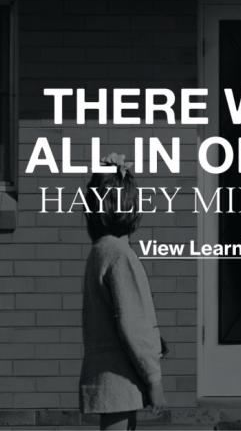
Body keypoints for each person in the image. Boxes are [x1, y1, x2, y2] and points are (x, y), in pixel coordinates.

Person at [79, 153, 166, 430]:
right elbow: (133, 323)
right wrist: (154, 379)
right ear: (129, 206)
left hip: (107, 374)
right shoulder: (120, 255)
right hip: (121, 378)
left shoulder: (100, 252)